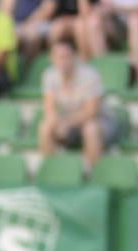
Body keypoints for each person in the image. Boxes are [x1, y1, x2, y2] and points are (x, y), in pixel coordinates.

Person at [38, 38, 119, 167]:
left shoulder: (89, 75)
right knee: (45, 126)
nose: (62, 61)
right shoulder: (49, 75)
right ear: (52, 59)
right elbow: (49, 108)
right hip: (70, 122)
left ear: (75, 57)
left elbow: (91, 111)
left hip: (101, 122)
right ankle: (49, 169)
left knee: (90, 128)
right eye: (58, 57)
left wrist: (67, 123)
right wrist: (56, 123)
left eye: (66, 57)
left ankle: (94, 174)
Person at [80, 0, 138, 82]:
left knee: (135, 20)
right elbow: (106, 4)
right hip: (117, 25)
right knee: (93, 21)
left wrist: (118, 8)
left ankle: (137, 71)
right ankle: (103, 70)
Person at [4, 0, 61, 65]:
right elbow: (7, 7)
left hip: (42, 23)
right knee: (4, 36)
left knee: (33, 36)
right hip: (17, 24)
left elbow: (49, 8)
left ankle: (29, 71)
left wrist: (26, 26)